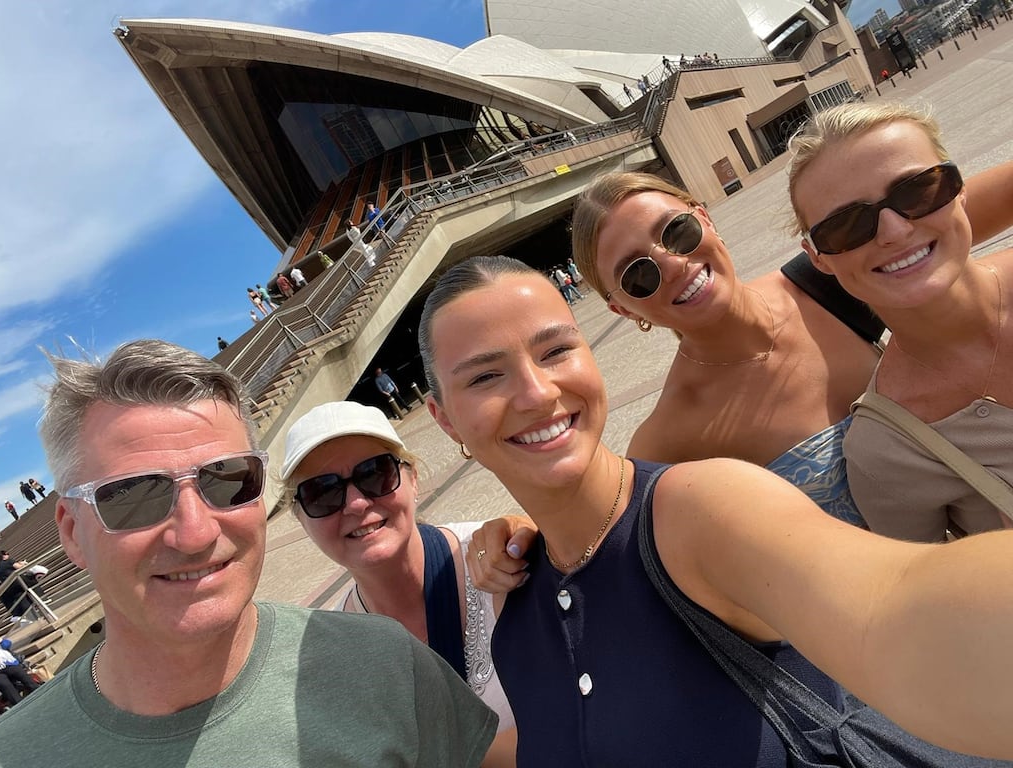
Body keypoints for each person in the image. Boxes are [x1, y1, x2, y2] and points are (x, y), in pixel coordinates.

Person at [419, 254, 1013, 763]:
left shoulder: (699, 512)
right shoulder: (515, 596)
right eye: (486, 377)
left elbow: (897, 608)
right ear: (444, 418)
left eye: (555, 351)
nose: (537, 392)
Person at [0, 339, 496, 764]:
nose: (195, 533)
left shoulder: (385, 661)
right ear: (73, 531)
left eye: (227, 480)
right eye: (135, 496)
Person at [569, 163, 1013, 526]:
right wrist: (513, 543)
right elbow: (611, 547)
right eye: (638, 275)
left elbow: (962, 211)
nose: (672, 263)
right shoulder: (669, 439)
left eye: (677, 231)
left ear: (704, 217)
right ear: (624, 310)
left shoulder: (828, 278)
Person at [786, 102, 1013, 541]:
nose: (893, 231)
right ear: (820, 259)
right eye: (846, 225)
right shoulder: (887, 452)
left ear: (958, 186)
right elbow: (940, 601)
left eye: (917, 191)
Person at [280, 401, 517, 764]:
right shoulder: (336, 651)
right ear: (301, 518)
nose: (356, 503)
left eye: (375, 472)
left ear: (413, 478)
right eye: (321, 492)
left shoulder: (502, 561)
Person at [0, 634, 40, 708]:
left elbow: (8, 644)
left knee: (21, 674)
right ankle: (20, 705)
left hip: (9, 664)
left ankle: (37, 689)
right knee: (5, 685)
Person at [0, 550, 35, 623]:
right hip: (7, 587)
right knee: (19, 599)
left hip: (3, 589)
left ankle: (20, 617)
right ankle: (20, 616)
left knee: (19, 600)